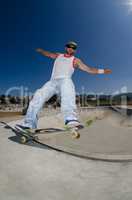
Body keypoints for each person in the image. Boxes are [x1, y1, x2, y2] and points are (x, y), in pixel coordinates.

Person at [16, 41, 111, 131]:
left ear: (75, 50)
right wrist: (41, 51)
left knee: (68, 92)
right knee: (38, 96)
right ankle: (29, 124)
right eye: (69, 46)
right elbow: (48, 54)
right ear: (66, 47)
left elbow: (89, 69)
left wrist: (102, 71)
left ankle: (70, 119)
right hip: (52, 82)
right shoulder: (58, 55)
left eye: (73, 48)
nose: (71, 49)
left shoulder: (76, 60)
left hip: (65, 79)